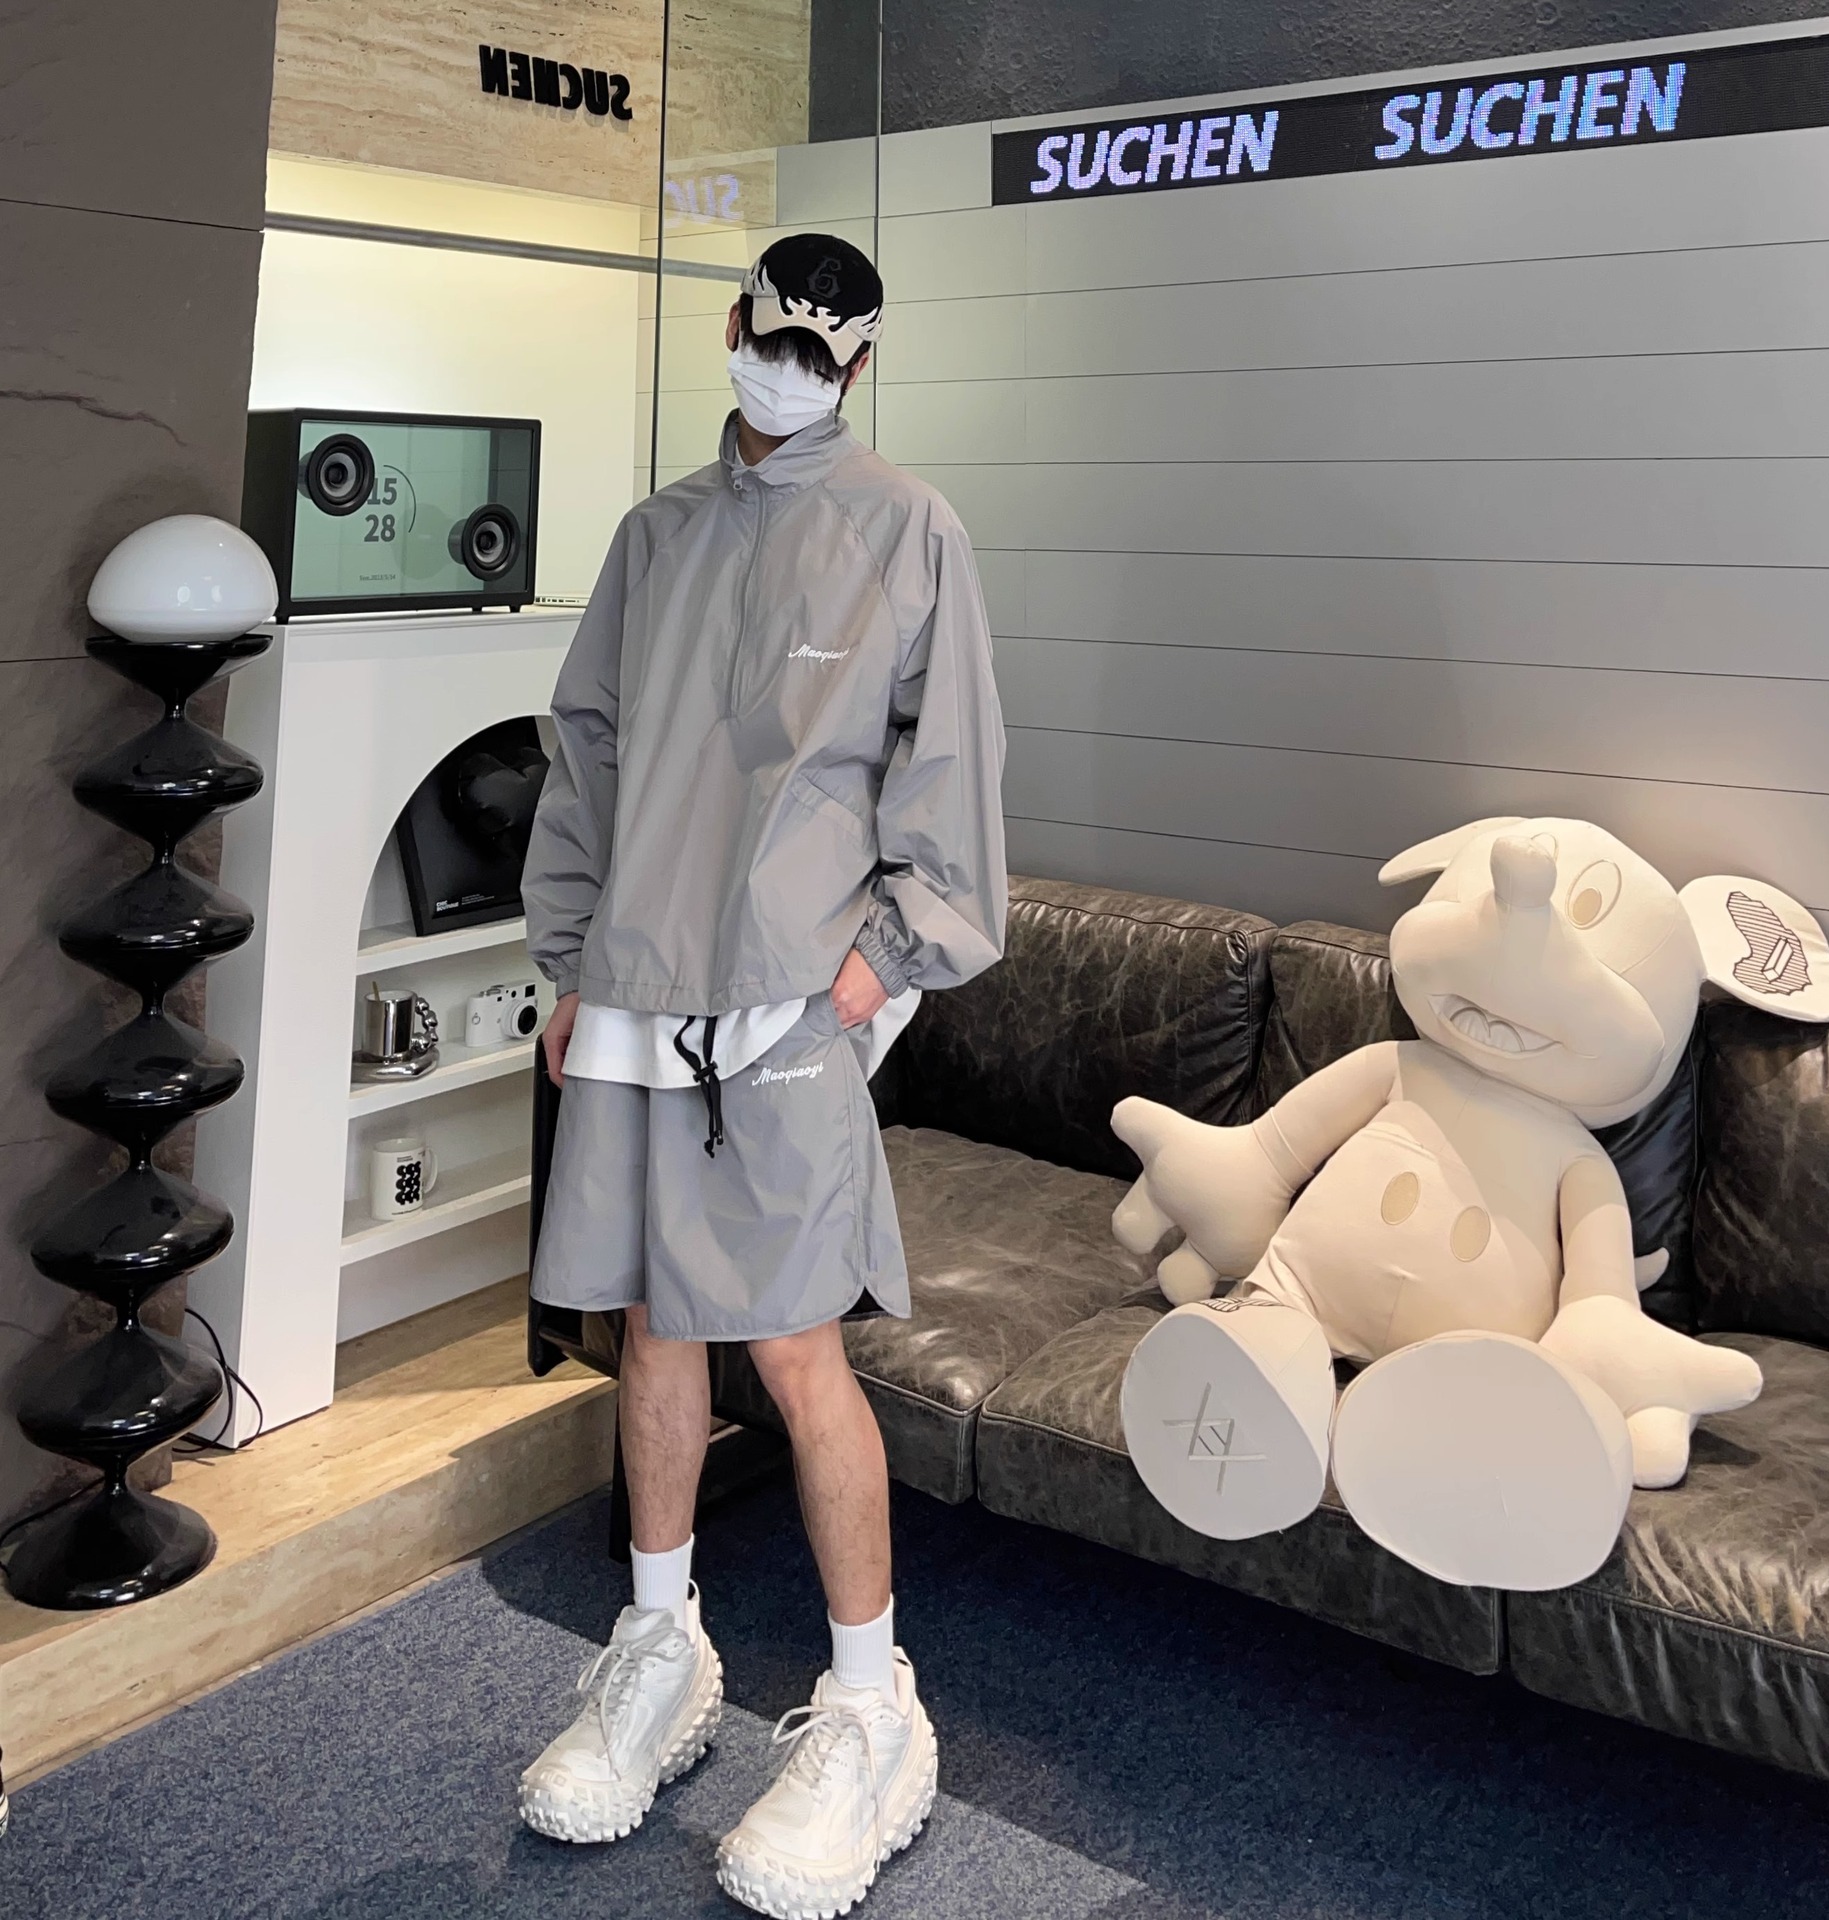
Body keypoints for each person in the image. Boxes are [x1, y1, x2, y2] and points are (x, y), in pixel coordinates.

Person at [514, 231, 1007, 1917]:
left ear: (857, 365)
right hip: (634, 992)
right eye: (771, 337)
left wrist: (867, 975)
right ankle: (660, 1646)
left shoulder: (909, 531)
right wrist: (570, 961)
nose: (788, 369)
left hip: (789, 1011)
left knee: (795, 1350)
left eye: (821, 351)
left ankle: (872, 1710)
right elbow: (585, 755)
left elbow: (951, 790)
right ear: (732, 327)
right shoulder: (653, 537)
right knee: (655, 1323)